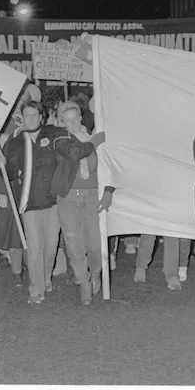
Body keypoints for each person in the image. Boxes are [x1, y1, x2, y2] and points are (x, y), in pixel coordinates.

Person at [0, 100, 104, 305]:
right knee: (34, 247)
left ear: (41, 117)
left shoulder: (52, 133)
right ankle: (36, 289)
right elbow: (8, 174)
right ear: (22, 118)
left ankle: (45, 277)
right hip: (30, 201)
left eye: (35, 115)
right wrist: (0, 163)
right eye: (27, 116)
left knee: (51, 245)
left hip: (54, 201)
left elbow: (71, 151)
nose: (31, 119)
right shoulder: (15, 141)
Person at [54, 101, 114, 305]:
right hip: (68, 197)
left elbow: (109, 166)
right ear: (62, 123)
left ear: (81, 118)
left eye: (75, 118)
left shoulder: (93, 137)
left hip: (92, 196)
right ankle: (83, 281)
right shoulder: (60, 139)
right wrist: (94, 142)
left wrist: (108, 190)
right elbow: (75, 153)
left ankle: (95, 273)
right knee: (73, 242)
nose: (72, 123)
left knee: (96, 244)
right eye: (67, 120)